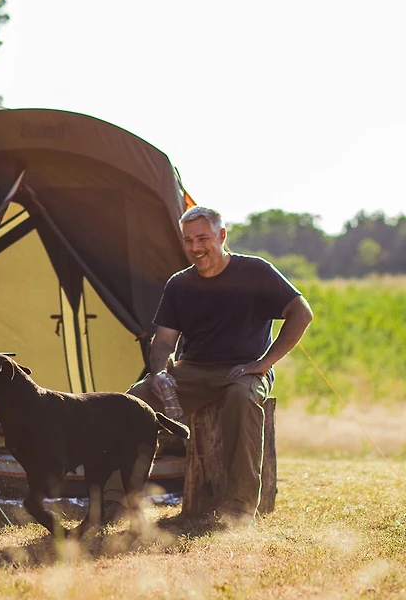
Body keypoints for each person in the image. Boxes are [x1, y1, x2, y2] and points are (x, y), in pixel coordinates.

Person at [105, 205, 314, 527]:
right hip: (193, 370)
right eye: (188, 241)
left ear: (222, 236)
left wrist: (264, 362)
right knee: (134, 401)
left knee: (241, 399)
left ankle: (240, 509)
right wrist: (159, 372)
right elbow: (163, 342)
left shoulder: (256, 271)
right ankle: (116, 500)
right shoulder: (180, 284)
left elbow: (301, 312)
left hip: (243, 370)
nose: (195, 248)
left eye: (202, 238)